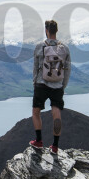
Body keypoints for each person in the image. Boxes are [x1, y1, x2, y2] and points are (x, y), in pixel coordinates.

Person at [30, 19, 71, 154]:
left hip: (41, 84)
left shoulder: (39, 47)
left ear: (46, 30)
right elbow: (67, 70)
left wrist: (35, 82)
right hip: (57, 85)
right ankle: (55, 146)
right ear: (56, 31)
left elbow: (36, 68)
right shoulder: (64, 49)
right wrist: (62, 86)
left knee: (36, 112)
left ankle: (39, 141)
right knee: (56, 113)